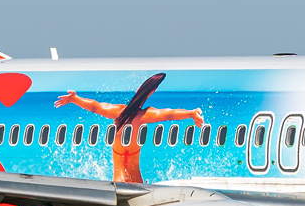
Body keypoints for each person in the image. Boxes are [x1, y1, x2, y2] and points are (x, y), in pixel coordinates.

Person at [55, 72, 203, 183]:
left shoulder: (119, 113)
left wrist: (74, 99)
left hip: (118, 185)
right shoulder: (144, 115)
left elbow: (96, 107)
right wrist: (191, 113)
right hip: (138, 186)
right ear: (151, 92)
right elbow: (168, 114)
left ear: (138, 89)